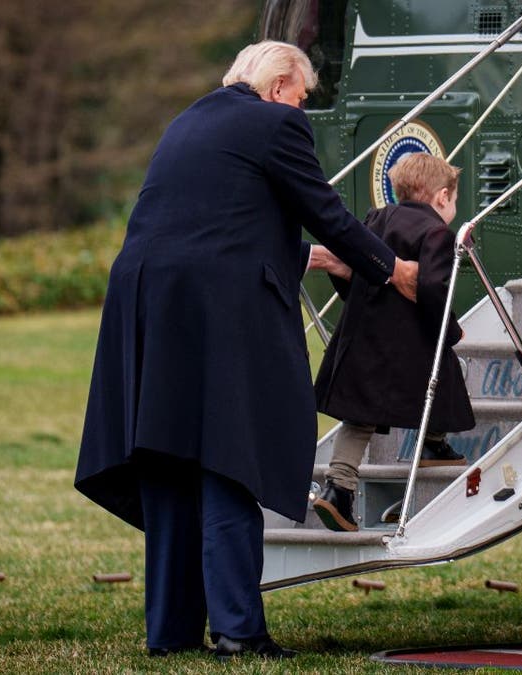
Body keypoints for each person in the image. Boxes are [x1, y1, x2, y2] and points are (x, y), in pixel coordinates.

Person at [74, 41, 420, 661]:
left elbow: (221, 216)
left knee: (169, 460)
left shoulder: (191, 119)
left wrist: (299, 254)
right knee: (228, 455)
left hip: (148, 301)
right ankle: (237, 630)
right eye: (303, 96)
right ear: (280, 83)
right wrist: (391, 269)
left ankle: (172, 632)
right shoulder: (274, 121)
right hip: (215, 308)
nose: (303, 109)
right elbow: (326, 211)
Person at [312, 152, 476, 532]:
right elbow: (434, 292)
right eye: (453, 200)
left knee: (359, 418)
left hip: (363, 340)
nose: (452, 207)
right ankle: (434, 442)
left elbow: (353, 272)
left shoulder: (375, 219)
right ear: (441, 198)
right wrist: (450, 332)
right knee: (446, 377)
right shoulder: (438, 234)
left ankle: (338, 489)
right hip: (408, 347)